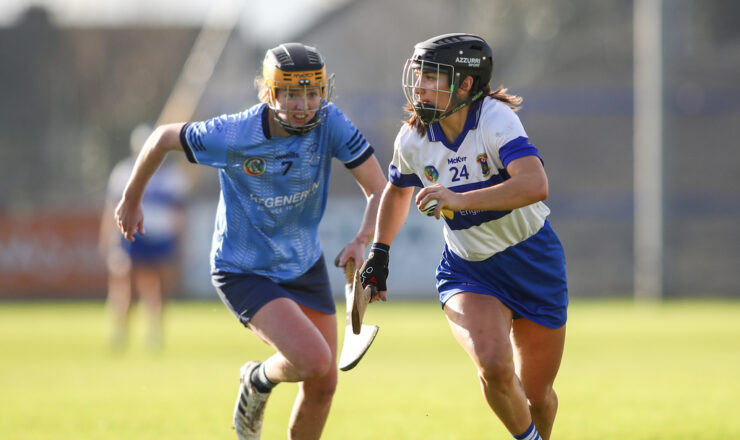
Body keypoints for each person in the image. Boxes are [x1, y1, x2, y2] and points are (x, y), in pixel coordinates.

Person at [113, 42, 386, 440]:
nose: (304, 104)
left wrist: (364, 239)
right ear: (270, 93)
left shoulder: (331, 122)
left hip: (303, 263)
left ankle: (260, 380)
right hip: (243, 270)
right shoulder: (234, 133)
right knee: (314, 360)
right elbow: (162, 138)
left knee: (324, 383)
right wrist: (132, 197)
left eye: (313, 92)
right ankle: (258, 379)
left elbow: (379, 189)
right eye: (292, 93)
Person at [359, 33, 568, 440]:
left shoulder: (495, 119)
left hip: (534, 260)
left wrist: (459, 198)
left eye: (432, 77)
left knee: (538, 396)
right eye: (418, 75)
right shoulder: (413, 138)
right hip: (469, 270)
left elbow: (535, 184)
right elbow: (398, 190)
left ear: (466, 84)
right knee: (493, 364)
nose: (419, 85)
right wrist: (379, 253)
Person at [99, 123, 188, 351]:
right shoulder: (123, 172)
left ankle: (154, 333)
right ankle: (120, 332)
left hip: (161, 238)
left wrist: (180, 243)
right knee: (125, 286)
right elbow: (112, 209)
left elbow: (179, 213)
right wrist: (108, 239)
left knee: (159, 288)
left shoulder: (173, 176)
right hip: (131, 236)